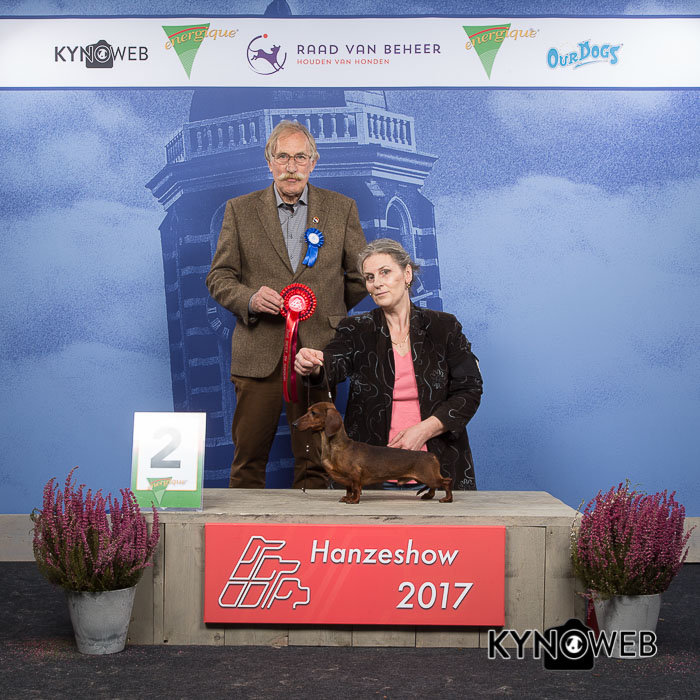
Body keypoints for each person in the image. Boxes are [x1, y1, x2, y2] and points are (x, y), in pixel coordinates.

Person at [206, 120, 368, 488]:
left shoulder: (342, 208)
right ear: (269, 162)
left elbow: (361, 276)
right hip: (257, 354)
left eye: (300, 157)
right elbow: (219, 277)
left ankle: (312, 527)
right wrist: (249, 298)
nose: (291, 167)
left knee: (317, 464)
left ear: (314, 162)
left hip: (317, 354)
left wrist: (327, 311)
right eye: (282, 157)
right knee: (247, 462)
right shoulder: (239, 210)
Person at [294, 238, 483, 490]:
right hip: (368, 473)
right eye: (369, 277)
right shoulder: (355, 328)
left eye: (385, 272)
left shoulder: (444, 327)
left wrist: (424, 430)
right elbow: (333, 364)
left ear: (407, 274)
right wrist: (315, 365)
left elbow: (469, 390)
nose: (377, 283)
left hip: (436, 465)